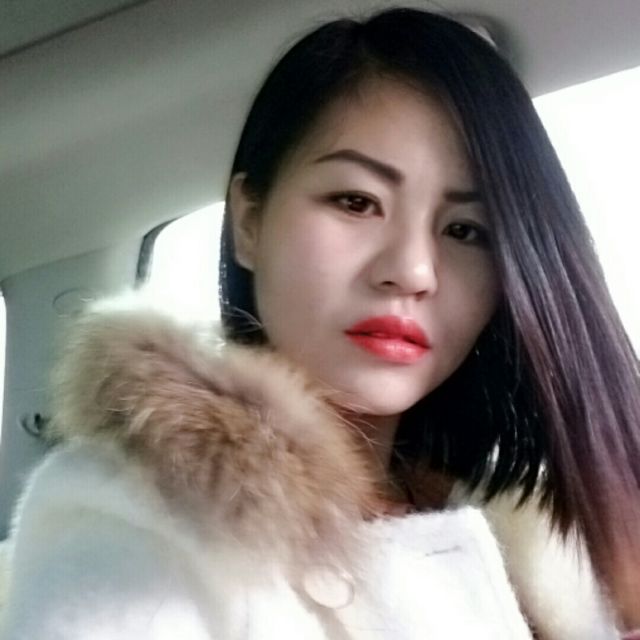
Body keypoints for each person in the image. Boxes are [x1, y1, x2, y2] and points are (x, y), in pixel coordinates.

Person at [1, 7, 638, 640]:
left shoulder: (540, 533)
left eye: (466, 231)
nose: (413, 271)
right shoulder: (133, 514)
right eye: (356, 202)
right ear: (250, 222)